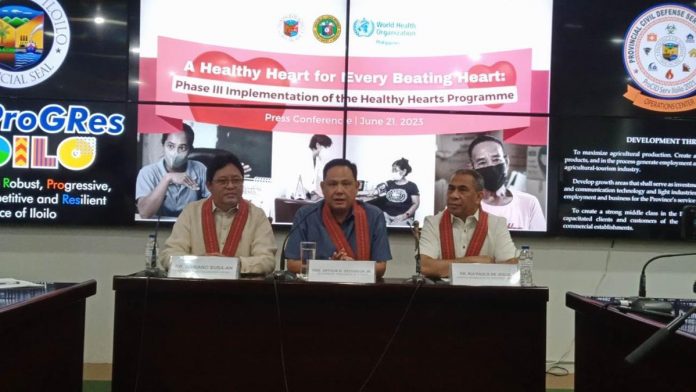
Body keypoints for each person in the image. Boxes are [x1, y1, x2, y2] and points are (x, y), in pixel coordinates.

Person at [159, 153, 276, 274]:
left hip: (242, 289)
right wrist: (199, 263)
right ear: (209, 185)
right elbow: (169, 256)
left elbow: (267, 261)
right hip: (197, 288)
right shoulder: (191, 212)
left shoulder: (257, 216)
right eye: (223, 181)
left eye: (236, 180)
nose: (230, 186)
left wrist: (232, 265)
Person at [286, 158, 391, 278]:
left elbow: (381, 267)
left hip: (361, 292)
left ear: (357, 187)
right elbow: (292, 264)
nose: (339, 191)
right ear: (323, 187)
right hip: (317, 291)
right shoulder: (306, 215)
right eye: (332, 184)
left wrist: (351, 267)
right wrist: (331, 267)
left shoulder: (374, 215)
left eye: (346, 184)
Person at [419, 169, 516, 279]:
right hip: (443, 294)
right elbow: (425, 266)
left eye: (462, 190)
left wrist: (443, 266)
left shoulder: (497, 224)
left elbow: (511, 266)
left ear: (478, 197)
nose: (453, 195)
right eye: (451, 189)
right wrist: (476, 261)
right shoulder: (432, 223)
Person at [468, 135, 546, 231]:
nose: (491, 166)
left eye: (496, 159)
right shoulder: (460, 205)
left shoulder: (529, 203)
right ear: (472, 169)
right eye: (482, 162)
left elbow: (540, 244)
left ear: (506, 162)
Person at [136, 124, 209, 218]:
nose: (175, 153)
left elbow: (216, 205)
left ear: (190, 150)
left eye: (182, 148)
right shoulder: (147, 172)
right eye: (170, 146)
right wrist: (167, 178)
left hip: (191, 227)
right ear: (163, 145)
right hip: (159, 229)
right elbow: (145, 213)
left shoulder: (200, 169)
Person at [373, 158, 420, 225]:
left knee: (395, 230)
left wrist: (404, 216)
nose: (393, 172)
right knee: (378, 225)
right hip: (387, 216)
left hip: (403, 218)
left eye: (395, 170)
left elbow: (416, 204)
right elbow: (375, 192)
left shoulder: (412, 186)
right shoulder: (388, 183)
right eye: (392, 170)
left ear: (404, 171)